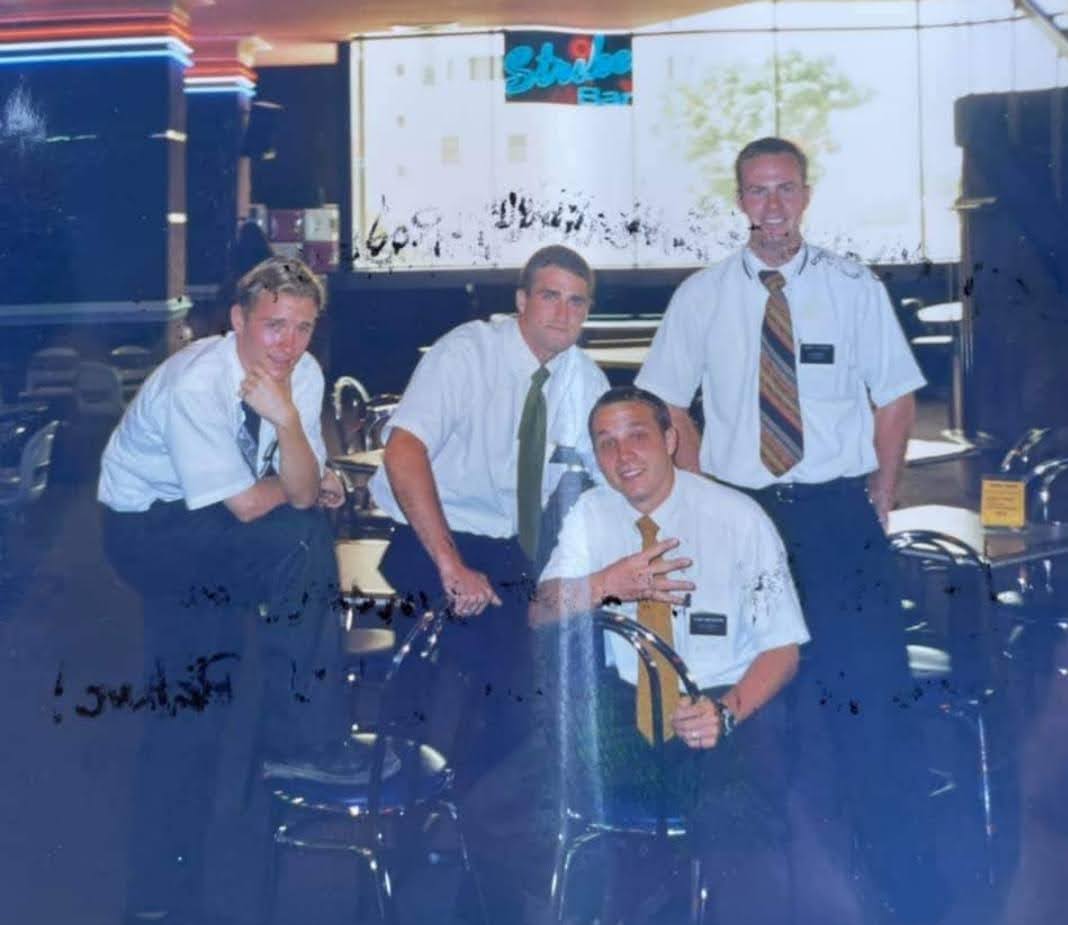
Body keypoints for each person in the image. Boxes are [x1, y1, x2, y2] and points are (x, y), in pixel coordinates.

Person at [634, 136, 941, 921]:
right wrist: (704, 489)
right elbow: (666, 401)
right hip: (748, 515)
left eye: (785, 190)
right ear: (740, 200)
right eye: (757, 192)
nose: (771, 207)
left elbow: (896, 393)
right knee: (755, 697)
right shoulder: (701, 296)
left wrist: (882, 485)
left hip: (840, 514)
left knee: (870, 697)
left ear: (805, 196)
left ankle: (900, 888)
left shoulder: (852, 286)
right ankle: (758, 885)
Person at [98, 255, 351, 924]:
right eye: (273, 325)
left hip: (214, 521)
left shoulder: (304, 373)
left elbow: (299, 482)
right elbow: (266, 500)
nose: (287, 344)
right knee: (189, 709)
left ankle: (299, 735)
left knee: (209, 693)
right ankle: (157, 899)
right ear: (238, 319)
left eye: (302, 327)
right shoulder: (196, 383)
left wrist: (291, 426)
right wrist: (301, 483)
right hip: (149, 530)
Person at [532, 386, 809, 924]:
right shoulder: (591, 512)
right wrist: (608, 582)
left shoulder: (738, 518)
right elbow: (540, 609)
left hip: (729, 700)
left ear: (670, 438)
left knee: (731, 820)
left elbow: (783, 648)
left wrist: (725, 711)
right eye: (606, 443)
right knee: (521, 803)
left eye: (637, 436)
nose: (622, 456)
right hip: (628, 704)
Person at [369, 244, 609, 778]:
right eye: (550, 297)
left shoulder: (584, 380)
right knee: (504, 667)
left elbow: (609, 477)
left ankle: (465, 798)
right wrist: (450, 565)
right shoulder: (468, 353)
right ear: (521, 301)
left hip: (513, 549)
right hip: (430, 535)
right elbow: (404, 450)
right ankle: (411, 796)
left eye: (577, 302)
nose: (563, 313)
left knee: (562, 660)